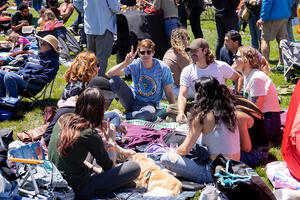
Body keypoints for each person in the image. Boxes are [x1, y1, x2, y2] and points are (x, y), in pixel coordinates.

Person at [48, 87, 140, 199]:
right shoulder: (89, 134)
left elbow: (72, 157)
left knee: (93, 149)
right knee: (134, 168)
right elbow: (109, 168)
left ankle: (109, 179)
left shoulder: (64, 119)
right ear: (100, 111)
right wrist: (111, 141)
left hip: (57, 178)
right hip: (79, 189)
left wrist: (94, 169)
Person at [161, 77, 240, 183]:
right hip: (235, 167)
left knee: (165, 158)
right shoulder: (230, 112)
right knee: (197, 142)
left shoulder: (202, 116)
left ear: (199, 95)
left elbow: (184, 150)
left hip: (212, 173)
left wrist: (173, 152)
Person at [106, 39, 175, 121]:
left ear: (153, 53)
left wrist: (173, 110)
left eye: (148, 52)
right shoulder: (135, 63)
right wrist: (125, 63)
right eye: (142, 52)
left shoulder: (162, 68)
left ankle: (122, 116)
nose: (145, 55)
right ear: (138, 53)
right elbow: (109, 74)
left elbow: (168, 90)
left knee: (150, 113)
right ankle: (102, 111)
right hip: (131, 98)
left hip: (148, 105)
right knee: (114, 80)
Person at [175, 38, 242, 123]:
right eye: (191, 51)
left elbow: (238, 78)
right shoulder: (187, 70)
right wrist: (180, 112)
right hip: (199, 105)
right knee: (171, 109)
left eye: (195, 51)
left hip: (219, 104)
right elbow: (183, 95)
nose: (192, 54)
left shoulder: (220, 66)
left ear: (205, 51)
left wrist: (236, 95)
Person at [233, 46, 281, 141]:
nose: (233, 59)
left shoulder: (256, 78)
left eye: (236, 56)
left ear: (245, 60)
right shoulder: (248, 75)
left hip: (268, 122)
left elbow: (255, 109)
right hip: (262, 118)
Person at [83, 0, 119, 76]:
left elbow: (77, 2)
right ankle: (98, 80)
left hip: (90, 25)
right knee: (101, 57)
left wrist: (87, 11)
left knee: (89, 57)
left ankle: (86, 77)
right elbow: (115, 7)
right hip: (104, 25)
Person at [234, 95, 270, 167]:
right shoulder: (246, 108)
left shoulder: (239, 116)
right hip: (263, 151)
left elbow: (246, 148)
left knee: (218, 154)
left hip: (256, 155)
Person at [256, 0, 293, 69]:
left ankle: (264, 65)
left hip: (272, 16)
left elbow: (267, 2)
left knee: (265, 40)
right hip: (285, 14)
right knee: (282, 41)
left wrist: (262, 18)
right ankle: (282, 64)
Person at [163, 28, 193, 99]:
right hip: (170, 90)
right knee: (199, 90)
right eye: (188, 38)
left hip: (163, 88)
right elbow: (187, 79)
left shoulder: (170, 51)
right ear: (185, 39)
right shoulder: (182, 55)